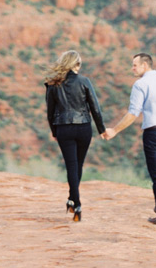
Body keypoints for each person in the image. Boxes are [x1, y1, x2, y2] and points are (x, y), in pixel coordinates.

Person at [102, 53, 156, 229]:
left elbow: (133, 113)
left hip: (154, 133)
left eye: (134, 65)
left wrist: (114, 130)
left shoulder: (140, 85)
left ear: (144, 65)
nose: (132, 68)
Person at [45, 50, 106, 222]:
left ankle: (75, 202)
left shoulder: (53, 84)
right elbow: (95, 108)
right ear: (76, 65)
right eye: (79, 64)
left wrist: (54, 131)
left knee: (71, 165)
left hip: (64, 128)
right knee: (78, 164)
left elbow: (50, 113)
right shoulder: (85, 81)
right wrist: (102, 129)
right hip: (84, 128)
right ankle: (73, 199)